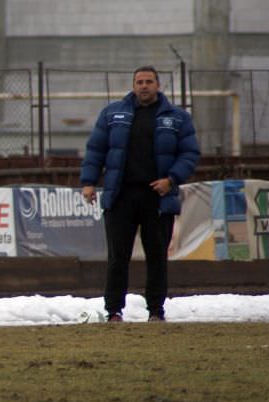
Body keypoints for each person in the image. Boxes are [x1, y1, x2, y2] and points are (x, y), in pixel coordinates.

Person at [80, 65, 200, 323]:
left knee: (157, 258)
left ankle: (156, 311)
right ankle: (113, 311)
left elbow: (190, 154)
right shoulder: (112, 114)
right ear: (133, 85)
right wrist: (89, 182)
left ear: (158, 85)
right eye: (139, 81)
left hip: (157, 198)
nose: (144, 86)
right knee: (117, 258)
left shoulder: (177, 117)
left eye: (148, 81)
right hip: (120, 197)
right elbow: (95, 150)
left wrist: (171, 180)